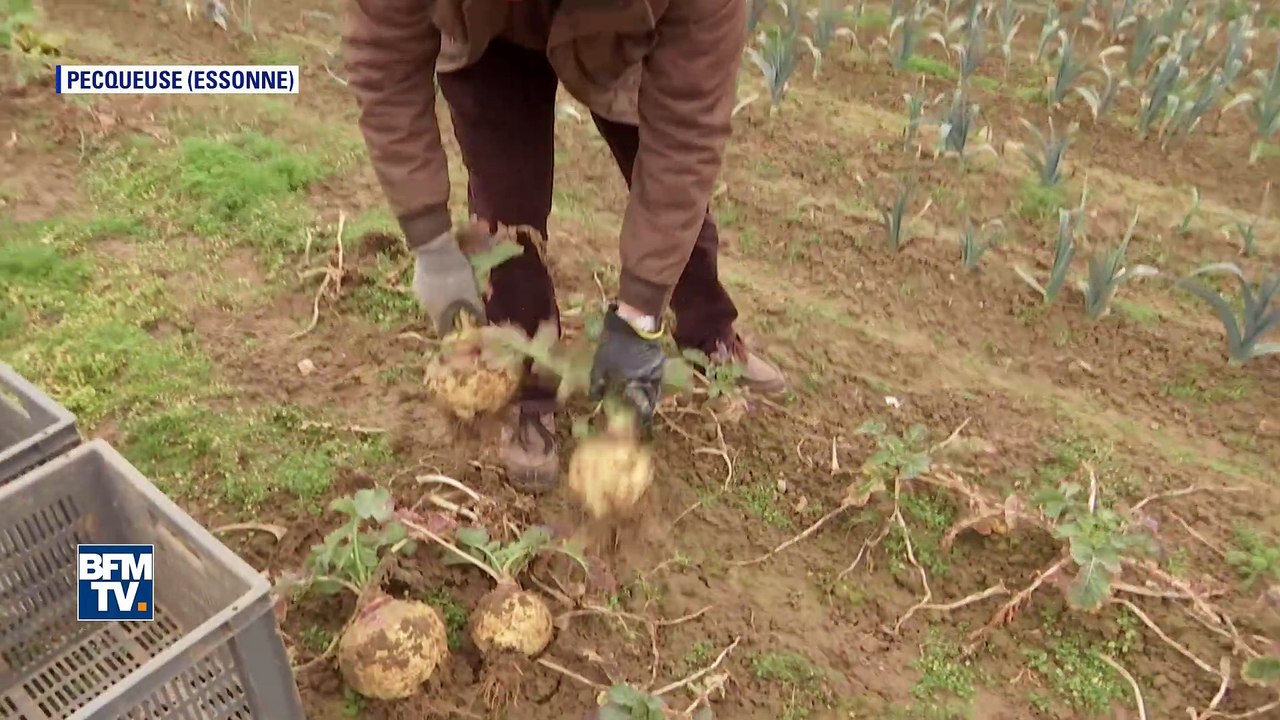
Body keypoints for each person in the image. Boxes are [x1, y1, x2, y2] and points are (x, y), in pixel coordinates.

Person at [343, 0, 786, 493]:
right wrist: (431, 247)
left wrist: (640, 312)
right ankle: (528, 387)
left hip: (623, 35)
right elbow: (383, 57)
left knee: (674, 199)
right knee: (507, 208)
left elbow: (686, 140)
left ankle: (709, 333)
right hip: (490, 27)